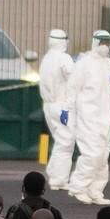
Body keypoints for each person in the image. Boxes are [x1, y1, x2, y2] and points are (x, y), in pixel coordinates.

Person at [63, 29, 110, 205]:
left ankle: (95, 190)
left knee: (103, 154)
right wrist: (66, 108)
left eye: (107, 42)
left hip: (105, 117)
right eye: (102, 42)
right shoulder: (84, 63)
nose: (105, 46)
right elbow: (72, 87)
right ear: (95, 43)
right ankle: (77, 187)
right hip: (87, 116)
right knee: (92, 154)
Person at [39, 29, 76, 191]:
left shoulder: (46, 59)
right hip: (61, 105)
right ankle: (59, 180)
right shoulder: (64, 58)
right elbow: (73, 77)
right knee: (66, 142)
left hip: (48, 105)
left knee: (59, 139)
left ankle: (53, 172)